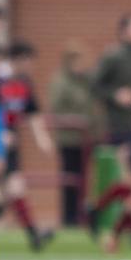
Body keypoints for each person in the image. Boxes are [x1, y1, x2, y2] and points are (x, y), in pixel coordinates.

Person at [91, 12, 131, 252]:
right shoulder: (113, 56)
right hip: (120, 126)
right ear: (125, 30)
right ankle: (111, 222)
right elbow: (95, 84)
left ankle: (107, 218)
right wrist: (116, 95)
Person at [0, 42, 56, 251]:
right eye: (28, 62)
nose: (30, 67)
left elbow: (33, 113)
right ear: (17, 60)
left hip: (10, 146)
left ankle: (33, 235)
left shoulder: (25, 83)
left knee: (14, 189)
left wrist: (42, 138)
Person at [46, 43, 98, 228]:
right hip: (69, 138)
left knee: (83, 178)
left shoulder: (84, 81)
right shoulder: (61, 81)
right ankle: (69, 217)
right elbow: (55, 108)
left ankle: (80, 215)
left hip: (85, 139)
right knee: (70, 177)